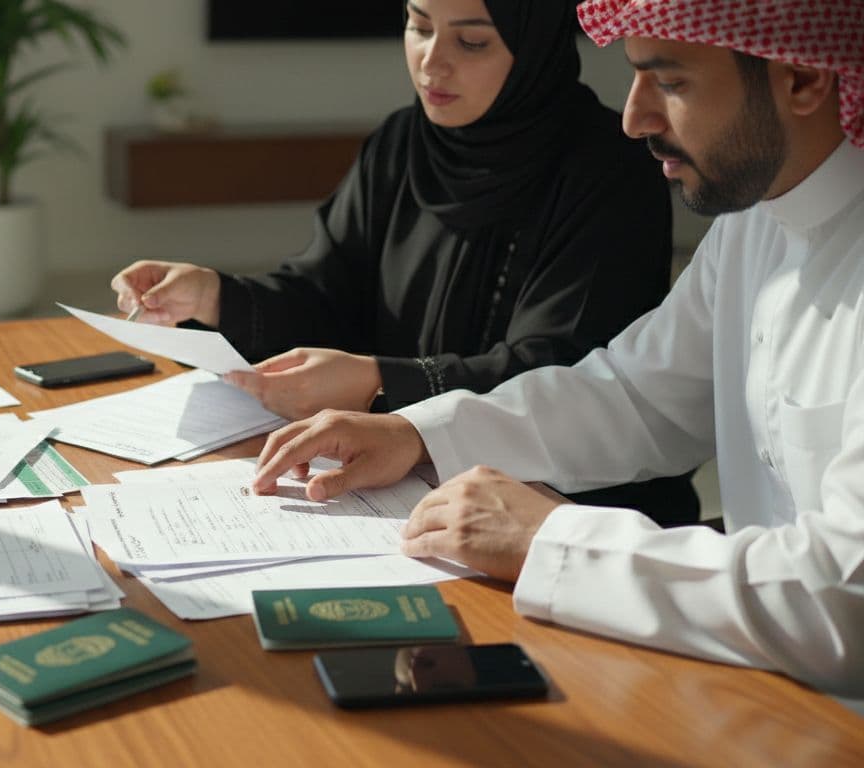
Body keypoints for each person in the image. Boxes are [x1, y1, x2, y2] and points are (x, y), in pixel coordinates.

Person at [251, 0, 864, 696]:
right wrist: (413, 434)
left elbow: (843, 599)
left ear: (805, 80)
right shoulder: (755, 221)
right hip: (766, 695)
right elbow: (639, 395)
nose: (635, 119)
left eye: (670, 83)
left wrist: (554, 540)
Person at [111, 0, 699, 525]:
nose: (431, 63)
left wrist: (380, 381)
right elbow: (327, 293)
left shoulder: (608, 169)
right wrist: (215, 295)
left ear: (534, 46)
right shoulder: (403, 143)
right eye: (419, 26)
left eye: (471, 42)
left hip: (560, 515)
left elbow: (565, 374)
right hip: (396, 491)